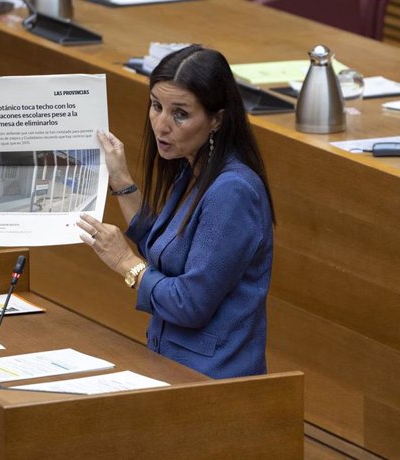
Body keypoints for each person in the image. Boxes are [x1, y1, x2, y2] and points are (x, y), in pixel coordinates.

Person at [77, 45, 274, 379]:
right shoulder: (194, 169)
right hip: (173, 365)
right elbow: (167, 247)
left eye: (179, 114)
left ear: (217, 120)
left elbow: (190, 303)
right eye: (156, 106)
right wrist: (121, 178)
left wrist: (126, 263)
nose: (161, 125)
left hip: (215, 381)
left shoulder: (233, 192)